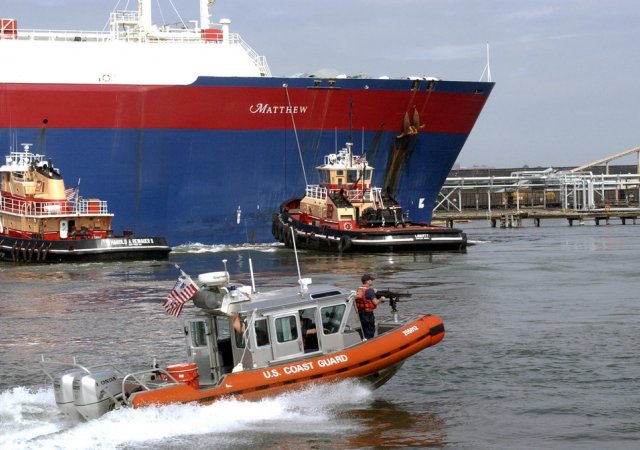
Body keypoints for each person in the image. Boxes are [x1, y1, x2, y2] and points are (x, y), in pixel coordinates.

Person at [355, 274, 385, 339]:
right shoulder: (370, 291)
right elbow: (376, 302)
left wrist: (373, 292)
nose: (372, 281)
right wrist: (381, 299)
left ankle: (364, 340)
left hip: (361, 313)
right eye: (371, 280)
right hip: (368, 314)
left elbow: (365, 296)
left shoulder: (359, 289)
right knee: (370, 331)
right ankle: (369, 342)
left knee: (365, 329)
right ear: (367, 281)